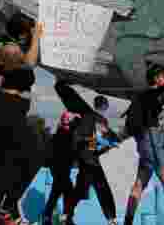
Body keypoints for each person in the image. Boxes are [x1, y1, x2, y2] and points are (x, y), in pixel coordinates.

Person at [0, 12, 41, 224]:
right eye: (28, 32)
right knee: (33, 155)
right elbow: (28, 64)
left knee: (3, 168)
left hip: (8, 113)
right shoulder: (8, 48)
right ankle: (3, 208)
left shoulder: (9, 47)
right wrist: (37, 37)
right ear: (22, 33)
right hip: (5, 113)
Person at [121, 62, 164, 225]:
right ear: (157, 78)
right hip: (153, 138)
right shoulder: (153, 95)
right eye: (163, 76)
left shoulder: (139, 97)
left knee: (140, 183)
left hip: (142, 143)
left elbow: (128, 126)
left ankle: (127, 221)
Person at [55, 84, 120, 225]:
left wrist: (107, 144)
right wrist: (100, 143)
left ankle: (67, 214)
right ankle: (111, 219)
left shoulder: (100, 121)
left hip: (92, 160)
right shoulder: (92, 119)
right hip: (89, 161)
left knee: (85, 190)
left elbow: (95, 142)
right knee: (100, 189)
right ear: (105, 107)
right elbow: (80, 138)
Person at [43, 111, 80, 225]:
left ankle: (48, 216)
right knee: (68, 193)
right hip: (60, 169)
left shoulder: (65, 132)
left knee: (56, 192)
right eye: (66, 119)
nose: (67, 120)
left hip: (62, 169)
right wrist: (78, 120)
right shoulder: (62, 133)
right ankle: (66, 218)